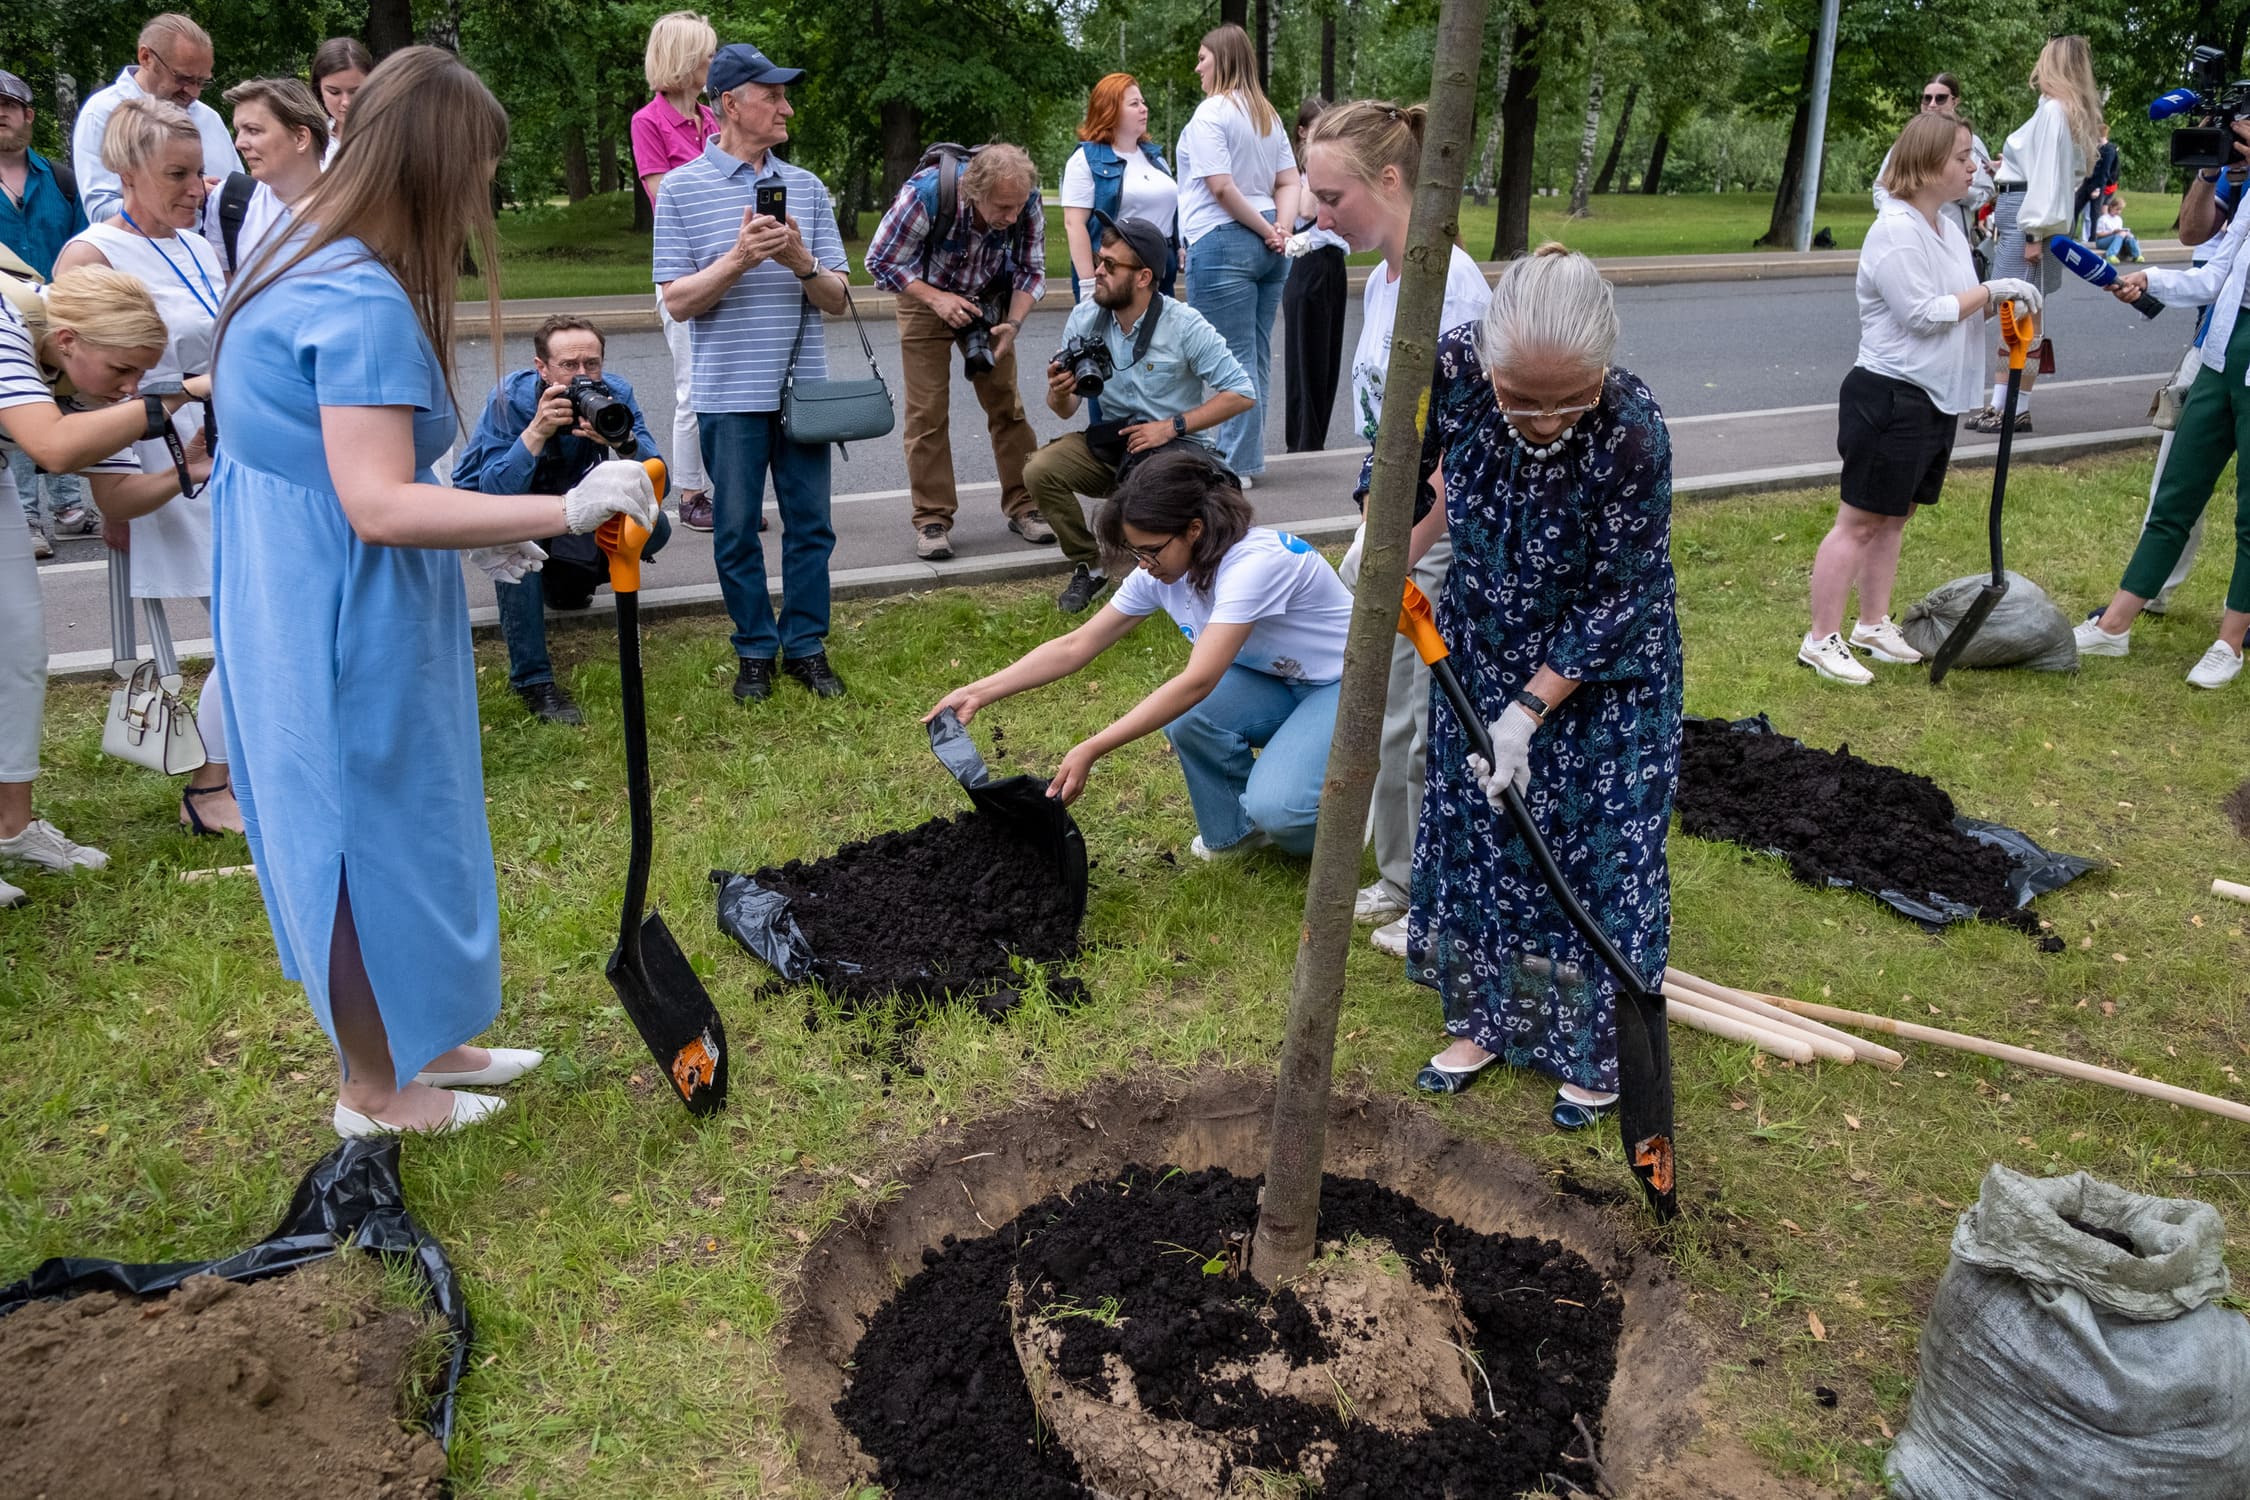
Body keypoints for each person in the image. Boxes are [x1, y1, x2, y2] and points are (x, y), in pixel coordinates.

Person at [207, 46, 654, 1135]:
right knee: (356, 822)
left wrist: (478, 526)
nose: (482, 204)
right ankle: (374, 1086)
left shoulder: (305, 249)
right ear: (437, 170)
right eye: (478, 176)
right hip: (337, 597)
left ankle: (428, 1034)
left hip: (317, 574)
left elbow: (362, 481)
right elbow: (379, 504)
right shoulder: (356, 296)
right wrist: (560, 515)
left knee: (410, 812)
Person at [1402, 245, 1681, 1131]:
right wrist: (1382, 552)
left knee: (1596, 854)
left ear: (1605, 367)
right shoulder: (1447, 368)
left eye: (1569, 398)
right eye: (1520, 397)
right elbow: (1401, 466)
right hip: (1481, 640)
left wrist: (1529, 710)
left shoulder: (1634, 430)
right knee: (1487, 840)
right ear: (1486, 359)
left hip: (1604, 674)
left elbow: (1624, 593)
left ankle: (1596, 1049)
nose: (1545, 420)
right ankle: (1491, 1018)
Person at [929, 446, 1351, 859]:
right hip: (1278, 679)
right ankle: (1240, 834)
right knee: (1189, 720)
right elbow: (1077, 644)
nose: (1143, 564)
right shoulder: (1162, 569)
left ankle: (1344, 815)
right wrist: (978, 692)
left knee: (1280, 808)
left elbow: (1198, 681)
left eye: (1150, 550)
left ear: (1195, 529)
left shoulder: (1254, 564)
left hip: (1345, 685)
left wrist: (1092, 746)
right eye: (1135, 551)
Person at [1302, 98, 1492, 954]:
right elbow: (1390, 430)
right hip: (1395, 523)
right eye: (1313, 194)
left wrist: (1403, 550)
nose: (1318, 212)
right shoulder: (1385, 277)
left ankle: (1434, 897)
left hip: (1437, 531)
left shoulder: (1449, 285)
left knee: (1422, 721)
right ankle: (1395, 874)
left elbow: (1465, 449)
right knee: (1380, 708)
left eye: (1331, 195)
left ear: (1388, 179)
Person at [55, 97, 241, 835]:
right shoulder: (91, 251)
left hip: (218, 447)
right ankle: (208, 784)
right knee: (237, 622)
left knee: (248, 619)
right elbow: (82, 383)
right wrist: (113, 496)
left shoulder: (196, 244)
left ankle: (229, 767)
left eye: (200, 172)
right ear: (126, 171)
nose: (198, 188)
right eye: (178, 173)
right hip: (156, 451)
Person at [1802, 114, 2041, 686]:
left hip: (1936, 399)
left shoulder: (1946, 228)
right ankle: (1819, 639)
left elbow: (1957, 305)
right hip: (1889, 394)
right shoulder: (1895, 231)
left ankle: (1871, 623)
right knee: (1859, 521)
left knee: (1895, 518)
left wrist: (2002, 305)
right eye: (1962, 157)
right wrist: (1992, 288)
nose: (1974, 167)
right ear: (1931, 164)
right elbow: (1921, 313)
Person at [652, 41, 851, 703]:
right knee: (735, 529)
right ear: (731, 103)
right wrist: (738, 258)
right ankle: (755, 651)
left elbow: (841, 300)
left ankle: (806, 646)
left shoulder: (809, 189)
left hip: (801, 394)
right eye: (773, 96)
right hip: (726, 393)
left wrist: (799, 258)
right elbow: (677, 300)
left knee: (810, 526)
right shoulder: (681, 190)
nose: (786, 108)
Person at [0, 267, 199, 905]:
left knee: (19, 652)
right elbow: (52, 447)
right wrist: (176, 397)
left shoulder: (101, 385)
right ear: (65, 342)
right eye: (122, 372)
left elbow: (118, 495)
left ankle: (12, 826)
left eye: (142, 374)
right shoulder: (4, 321)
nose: (131, 388)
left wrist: (192, 466)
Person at [1024, 214, 1254, 613]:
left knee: (1150, 486)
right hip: (1115, 441)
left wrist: (1172, 426)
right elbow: (1063, 411)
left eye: (1110, 266)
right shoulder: (1085, 318)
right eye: (1099, 260)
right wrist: (1058, 390)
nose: (1097, 271)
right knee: (1039, 470)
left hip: (1174, 447)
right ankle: (1091, 564)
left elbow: (1241, 393)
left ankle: (1167, 572)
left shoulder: (1183, 324)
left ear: (1144, 277)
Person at [453, 315, 673, 724]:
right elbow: (494, 493)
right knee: (517, 545)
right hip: (506, 507)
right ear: (542, 368)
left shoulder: (615, 394)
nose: (582, 376)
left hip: (573, 504)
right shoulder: (511, 400)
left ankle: (567, 583)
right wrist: (535, 432)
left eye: (592, 364)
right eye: (569, 366)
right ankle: (533, 681)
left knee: (653, 526)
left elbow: (660, 482)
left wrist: (624, 444)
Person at [2081, 186, 2250, 689]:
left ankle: (2229, 643)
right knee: (2176, 492)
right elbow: (2217, 274)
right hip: (2222, 350)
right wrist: (2149, 278)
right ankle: (2115, 625)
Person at [865, 141, 1049, 561]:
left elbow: (1032, 270)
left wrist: (1013, 324)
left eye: (1018, 207)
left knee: (1007, 406)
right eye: (1002, 208)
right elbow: (879, 261)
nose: (1012, 217)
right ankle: (932, 519)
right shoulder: (927, 195)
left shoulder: (1026, 201)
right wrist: (936, 299)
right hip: (924, 297)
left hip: (989, 297)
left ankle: (1026, 506)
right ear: (974, 192)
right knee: (927, 412)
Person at [1178, 23, 1299, 486]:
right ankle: (1245, 458)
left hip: (1225, 239)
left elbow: (1220, 186)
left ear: (1223, 60)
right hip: (1270, 247)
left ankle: (1233, 464)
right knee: (1256, 354)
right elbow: (1290, 181)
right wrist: (1280, 228)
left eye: (1203, 58)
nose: (1198, 67)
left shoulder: (1211, 114)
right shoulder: (1268, 115)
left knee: (1228, 357)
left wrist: (1270, 228)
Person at [1967, 35, 2100, 435]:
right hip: (2027, 212)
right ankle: (2005, 405)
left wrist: (2034, 233)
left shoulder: (2054, 112)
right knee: (2022, 312)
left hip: (2027, 216)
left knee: (2016, 310)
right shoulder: (2063, 111)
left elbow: (2045, 178)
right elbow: (2055, 172)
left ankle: (2010, 407)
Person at [631, 10, 718, 533]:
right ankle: (691, 492)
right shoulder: (649, 122)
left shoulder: (713, 120)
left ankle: (728, 487)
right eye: (705, 53)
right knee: (694, 387)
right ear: (685, 60)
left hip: (725, 267)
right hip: (684, 272)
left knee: (727, 387)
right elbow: (664, 197)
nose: (711, 61)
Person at [0, 68, 93, 553]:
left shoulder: (61, 179)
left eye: (7, 106)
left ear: (27, 115)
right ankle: (28, 519)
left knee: (67, 399)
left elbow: (83, 244)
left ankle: (68, 505)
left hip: (59, 313)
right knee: (18, 412)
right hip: (2, 321)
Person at [72, 13, 243, 226]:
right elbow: (101, 213)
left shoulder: (210, 119)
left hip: (211, 257)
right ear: (146, 58)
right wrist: (191, 197)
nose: (194, 92)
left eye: (202, 82)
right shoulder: (103, 113)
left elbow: (239, 202)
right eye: (183, 78)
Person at [1060, 73, 1178, 302]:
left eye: (1143, 102)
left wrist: (1180, 247)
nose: (1144, 108)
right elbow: (1074, 224)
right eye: (1134, 104)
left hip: (1162, 269)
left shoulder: (1155, 158)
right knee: (1116, 337)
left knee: (1162, 337)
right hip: (1117, 269)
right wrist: (1087, 286)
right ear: (1109, 110)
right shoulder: (1085, 159)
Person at [1871, 72, 1995, 273]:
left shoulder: (1970, 141)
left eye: (1940, 98)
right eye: (1927, 98)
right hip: (1913, 237)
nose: (1932, 104)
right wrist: (1901, 213)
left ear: (1955, 101)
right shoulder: (1908, 142)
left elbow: (1985, 191)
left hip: (1955, 238)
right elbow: (1881, 188)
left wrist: (1949, 191)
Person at [1281, 96, 1349, 453]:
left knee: (1327, 363)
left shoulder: (1328, 174)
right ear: (1303, 132)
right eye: (1321, 130)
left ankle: (1314, 441)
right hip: (1309, 265)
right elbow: (1306, 209)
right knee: (1306, 364)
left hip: (1332, 263)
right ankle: (1303, 445)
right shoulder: (1299, 176)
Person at [205, 78, 326, 276]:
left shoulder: (355, 208)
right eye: (238, 131)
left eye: (253, 130)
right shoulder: (230, 201)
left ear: (300, 137)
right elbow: (226, 294)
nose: (240, 143)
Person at [310, 36, 371, 167]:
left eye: (355, 91)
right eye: (334, 92)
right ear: (318, 88)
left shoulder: (388, 135)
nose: (346, 102)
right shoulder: (310, 138)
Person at [2093, 195, 2140, 262]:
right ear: (2111, 207)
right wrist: (2112, 232)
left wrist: (2126, 234)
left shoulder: (2119, 219)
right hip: (2102, 241)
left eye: (2120, 210)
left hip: (2116, 239)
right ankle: (2110, 254)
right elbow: (2098, 234)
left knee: (2129, 236)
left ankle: (2137, 255)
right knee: (2120, 235)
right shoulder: (2103, 218)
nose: (2119, 212)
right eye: (2117, 209)